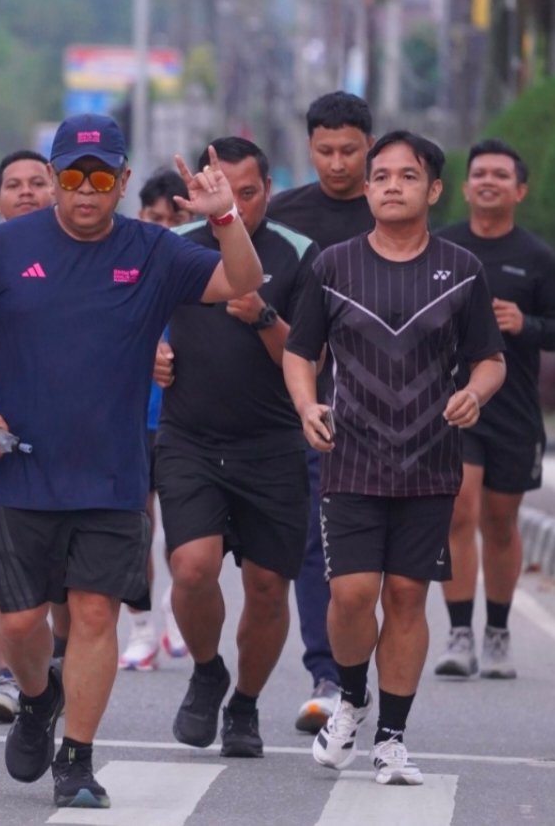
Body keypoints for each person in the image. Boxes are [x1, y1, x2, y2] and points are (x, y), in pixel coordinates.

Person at [0, 113, 262, 809]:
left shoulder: (153, 250)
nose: (87, 191)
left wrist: (224, 216)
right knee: (20, 623)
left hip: (112, 473)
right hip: (19, 466)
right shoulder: (8, 245)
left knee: (93, 615)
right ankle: (36, 698)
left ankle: (77, 759)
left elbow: (242, 281)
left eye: (102, 178)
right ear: (55, 178)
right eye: (74, 177)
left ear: (122, 180)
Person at [283, 131, 506, 786]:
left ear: (433, 190)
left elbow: (490, 359)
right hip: (349, 456)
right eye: (380, 176)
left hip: (430, 460)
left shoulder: (462, 268)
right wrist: (307, 405)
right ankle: (352, 698)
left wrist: (474, 393)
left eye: (407, 176)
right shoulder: (334, 266)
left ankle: (391, 739)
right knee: (352, 594)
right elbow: (300, 352)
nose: (391, 186)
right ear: (367, 188)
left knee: (408, 596)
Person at [156, 136, 315, 757]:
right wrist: (151, 355)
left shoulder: (299, 254)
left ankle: (244, 704)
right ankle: (206, 671)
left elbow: (312, 359)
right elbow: (133, 321)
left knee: (269, 586)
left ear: (268, 190)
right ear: (197, 190)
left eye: (248, 193)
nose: (237, 204)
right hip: (190, 439)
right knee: (192, 568)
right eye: (223, 192)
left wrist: (263, 317)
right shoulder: (175, 248)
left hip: (272, 443)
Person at [266, 91, 377, 733]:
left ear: (370, 147)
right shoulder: (285, 217)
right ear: (309, 147)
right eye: (326, 150)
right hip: (312, 409)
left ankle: (375, 677)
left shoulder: (393, 209)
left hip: (395, 411)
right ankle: (328, 675)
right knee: (318, 540)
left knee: (387, 563)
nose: (338, 163)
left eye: (350, 151)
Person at [433, 139, 555, 679]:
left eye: (501, 175)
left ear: (520, 190)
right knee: (459, 511)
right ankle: (460, 633)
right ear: (465, 188)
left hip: (514, 410)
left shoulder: (537, 257)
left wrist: (524, 324)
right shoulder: (442, 248)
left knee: (500, 522)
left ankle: (498, 632)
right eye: (480, 173)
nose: (489, 181)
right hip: (454, 406)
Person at [0, 149, 68, 723]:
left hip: (80, 432)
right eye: (15, 185)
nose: (28, 192)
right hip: (6, 433)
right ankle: (11, 674)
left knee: (69, 575)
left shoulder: (85, 245)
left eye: (39, 182)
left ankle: (59, 663)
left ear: (57, 190)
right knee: (9, 567)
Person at [118, 168, 192, 671]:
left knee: (188, 535)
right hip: (131, 417)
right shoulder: (123, 264)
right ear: (141, 215)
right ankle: (142, 629)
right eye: (154, 217)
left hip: (187, 421)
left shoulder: (201, 267)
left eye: (174, 219)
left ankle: (178, 606)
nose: (163, 227)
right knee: (137, 526)